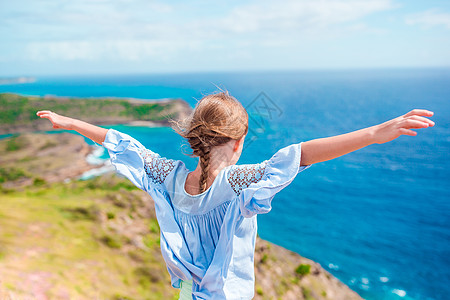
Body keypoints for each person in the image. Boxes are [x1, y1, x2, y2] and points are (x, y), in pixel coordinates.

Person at [36, 91, 434, 299]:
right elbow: (300, 156)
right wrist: (375, 133)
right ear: (239, 141)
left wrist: (70, 122)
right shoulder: (239, 185)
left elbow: (123, 144)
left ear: (196, 138)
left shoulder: (168, 177)